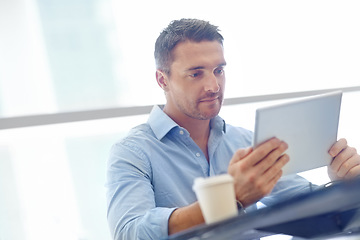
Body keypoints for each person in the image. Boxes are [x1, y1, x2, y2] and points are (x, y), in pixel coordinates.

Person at [106, 18, 360, 240]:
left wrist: (343, 184)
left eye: (219, 71)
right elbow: (129, 232)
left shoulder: (245, 142)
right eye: (196, 74)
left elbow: (306, 205)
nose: (213, 86)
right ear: (163, 79)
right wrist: (229, 199)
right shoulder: (133, 153)